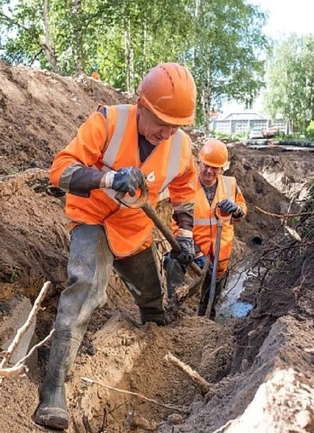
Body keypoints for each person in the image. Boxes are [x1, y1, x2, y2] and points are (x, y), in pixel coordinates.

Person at [35, 63, 198, 430]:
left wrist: (184, 238)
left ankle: (158, 336)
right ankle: (54, 390)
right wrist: (109, 176)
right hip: (92, 219)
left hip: (135, 229)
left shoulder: (181, 148)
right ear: (141, 105)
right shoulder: (109, 122)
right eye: (160, 121)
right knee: (85, 288)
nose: (166, 132)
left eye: (176, 125)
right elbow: (59, 171)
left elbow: (186, 195)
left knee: (150, 297)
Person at [191, 140, 247, 319]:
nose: (209, 171)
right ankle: (178, 314)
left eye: (214, 167)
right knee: (173, 264)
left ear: (222, 168)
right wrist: (194, 250)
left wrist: (237, 211)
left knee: (214, 286)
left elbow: (242, 208)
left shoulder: (230, 184)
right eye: (206, 165)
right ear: (199, 162)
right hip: (194, 247)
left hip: (220, 247)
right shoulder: (187, 185)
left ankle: (207, 317)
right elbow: (176, 219)